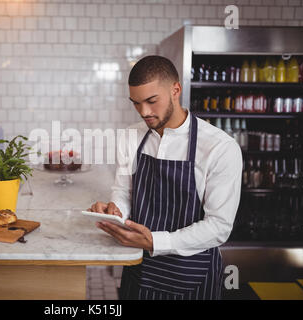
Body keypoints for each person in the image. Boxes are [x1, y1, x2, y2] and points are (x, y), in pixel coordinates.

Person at [88, 55, 242, 300]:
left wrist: (155, 242)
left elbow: (219, 227)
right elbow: (123, 191)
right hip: (139, 270)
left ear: (176, 90)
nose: (144, 112)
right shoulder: (130, 137)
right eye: (136, 103)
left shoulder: (220, 147)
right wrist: (117, 212)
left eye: (151, 101)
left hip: (192, 278)